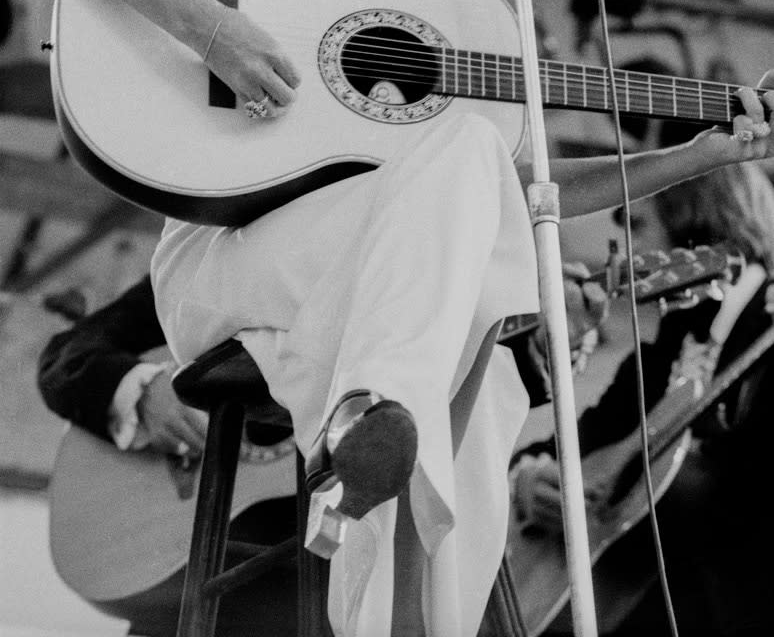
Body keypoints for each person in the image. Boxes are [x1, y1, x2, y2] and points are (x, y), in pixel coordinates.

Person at [18, 0, 774, 637]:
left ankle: (368, 429)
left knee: (475, 196)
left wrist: (705, 155)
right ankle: (391, 527)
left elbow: (528, 185)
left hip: (386, 280)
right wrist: (215, 30)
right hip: (241, 258)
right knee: (478, 317)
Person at [38, 268, 607, 637]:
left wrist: (538, 353)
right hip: (199, 591)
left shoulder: (400, 273)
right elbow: (67, 356)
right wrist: (143, 395)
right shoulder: (215, 263)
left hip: (324, 584)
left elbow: (447, 392)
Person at [510, 159, 774, 637]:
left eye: (634, 223)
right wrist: (530, 478)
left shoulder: (765, 338)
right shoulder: (678, 334)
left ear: (695, 225)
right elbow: (578, 437)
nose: (628, 250)